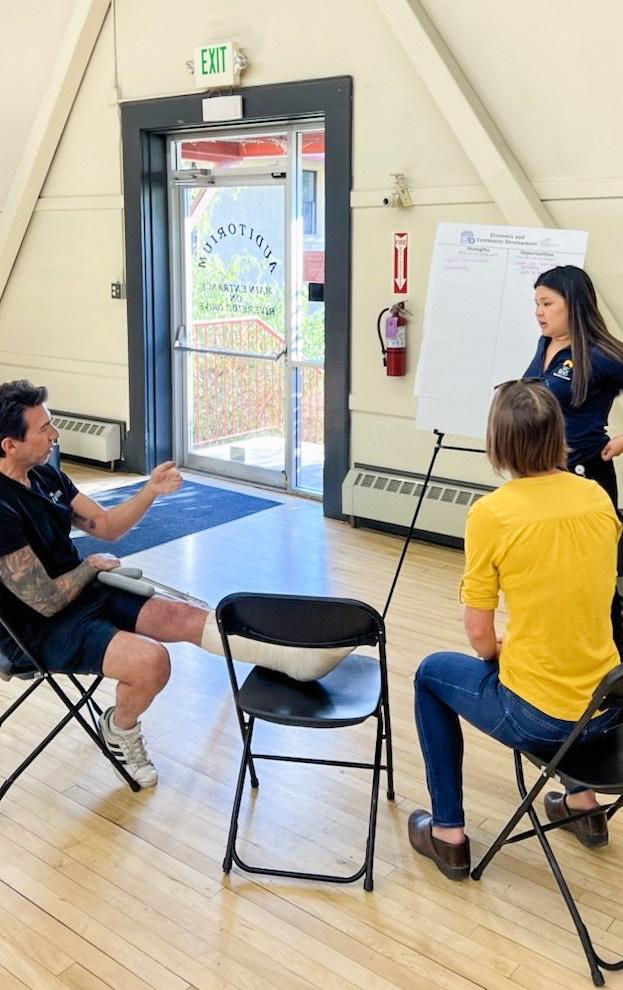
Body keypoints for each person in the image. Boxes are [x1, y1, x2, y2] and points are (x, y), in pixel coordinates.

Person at [0, 380, 351, 788]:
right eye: (44, 429)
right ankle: (119, 728)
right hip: (36, 629)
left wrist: (150, 490)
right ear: (9, 445)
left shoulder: (46, 476)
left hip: (82, 593)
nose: (55, 435)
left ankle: (290, 658)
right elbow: (44, 601)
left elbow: (107, 526)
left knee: (185, 616)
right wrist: (91, 566)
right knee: (152, 663)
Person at [408, 380, 623, 880]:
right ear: (557, 435)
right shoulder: (595, 497)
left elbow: (480, 636)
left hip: (543, 721)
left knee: (430, 675)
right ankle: (583, 806)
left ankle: (448, 835)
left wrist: (501, 649)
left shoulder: (493, 514)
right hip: (609, 708)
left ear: (498, 442)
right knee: (567, 664)